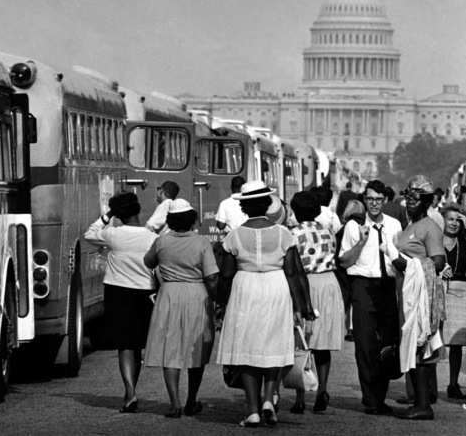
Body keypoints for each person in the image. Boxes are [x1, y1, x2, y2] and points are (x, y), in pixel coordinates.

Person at [216, 180, 314, 427]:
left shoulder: (234, 235)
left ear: (245, 207)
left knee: (247, 349)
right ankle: (269, 400)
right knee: (272, 345)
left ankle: (252, 410)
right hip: (275, 287)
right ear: (268, 204)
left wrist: (220, 303)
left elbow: (226, 274)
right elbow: (294, 272)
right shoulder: (283, 234)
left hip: (245, 288)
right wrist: (304, 305)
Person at [143, 199, 219, 418]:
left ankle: (174, 402)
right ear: (192, 219)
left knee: (171, 349)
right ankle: (191, 400)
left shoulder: (162, 241)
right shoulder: (202, 242)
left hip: (169, 295)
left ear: (170, 221)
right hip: (197, 294)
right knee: (197, 349)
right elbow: (211, 275)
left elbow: (149, 262)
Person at [83, 192, 157, 413]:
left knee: (124, 344)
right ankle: (133, 387)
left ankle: (129, 392)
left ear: (119, 214)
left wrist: (107, 216)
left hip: (117, 292)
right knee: (137, 346)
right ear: (138, 211)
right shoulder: (152, 237)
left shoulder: (113, 235)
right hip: (145, 292)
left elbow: (89, 233)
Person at [339, 179, 402, 415]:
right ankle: (370, 399)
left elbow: (400, 256)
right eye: (370, 199)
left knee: (387, 343)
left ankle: (380, 396)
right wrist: (362, 241)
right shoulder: (354, 226)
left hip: (387, 285)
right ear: (364, 200)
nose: (374, 204)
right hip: (363, 285)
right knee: (365, 344)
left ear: (385, 200)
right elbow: (344, 261)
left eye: (378, 199)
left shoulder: (394, 225)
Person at [391, 175, 446, 420]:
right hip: (405, 294)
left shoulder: (430, 227)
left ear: (426, 202)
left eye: (417, 198)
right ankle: (417, 401)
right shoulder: (410, 225)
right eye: (408, 196)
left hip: (420, 297)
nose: (411, 201)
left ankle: (424, 405)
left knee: (421, 347)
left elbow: (438, 262)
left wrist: (406, 264)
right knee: (410, 346)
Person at [289, 191, 344, 414]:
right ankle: (322, 389)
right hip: (329, 283)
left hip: (306, 284)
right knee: (323, 343)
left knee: (303, 341)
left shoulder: (293, 234)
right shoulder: (328, 232)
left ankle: (300, 396)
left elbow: (293, 268)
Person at [439, 202, 466, 401]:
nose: (454, 224)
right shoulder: (436, 239)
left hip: (459, 288)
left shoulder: (463, 239)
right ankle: (427, 384)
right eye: (450, 219)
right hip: (438, 287)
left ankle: (453, 383)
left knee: (456, 342)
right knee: (432, 336)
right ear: (443, 220)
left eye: (457, 220)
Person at [335, 199, 366, 342]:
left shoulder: (350, 225)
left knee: (349, 297)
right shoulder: (361, 224)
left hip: (348, 266)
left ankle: (351, 328)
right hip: (356, 265)